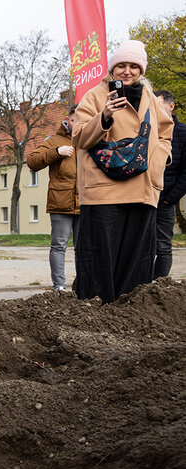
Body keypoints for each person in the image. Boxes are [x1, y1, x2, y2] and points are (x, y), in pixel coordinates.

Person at [72, 40, 173, 303]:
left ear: (141, 70)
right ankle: (94, 312)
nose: (127, 71)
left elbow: (165, 134)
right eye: (121, 66)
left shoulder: (152, 100)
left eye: (133, 66)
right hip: (104, 190)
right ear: (112, 68)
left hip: (142, 188)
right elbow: (79, 138)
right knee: (99, 258)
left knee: (136, 261)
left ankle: (128, 317)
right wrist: (103, 116)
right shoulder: (95, 96)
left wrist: (158, 159)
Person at [27, 104, 79, 292]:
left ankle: (82, 285)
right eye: (74, 120)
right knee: (59, 246)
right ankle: (59, 286)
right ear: (67, 120)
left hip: (86, 203)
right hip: (60, 202)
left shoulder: (89, 140)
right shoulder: (54, 140)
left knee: (85, 248)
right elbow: (32, 162)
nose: (77, 123)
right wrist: (57, 152)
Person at [153, 90, 186, 278]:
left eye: (158, 105)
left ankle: (158, 286)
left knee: (163, 246)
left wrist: (170, 199)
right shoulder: (147, 131)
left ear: (170, 106)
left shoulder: (182, 132)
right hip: (144, 197)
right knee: (143, 246)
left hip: (165, 200)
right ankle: (142, 286)